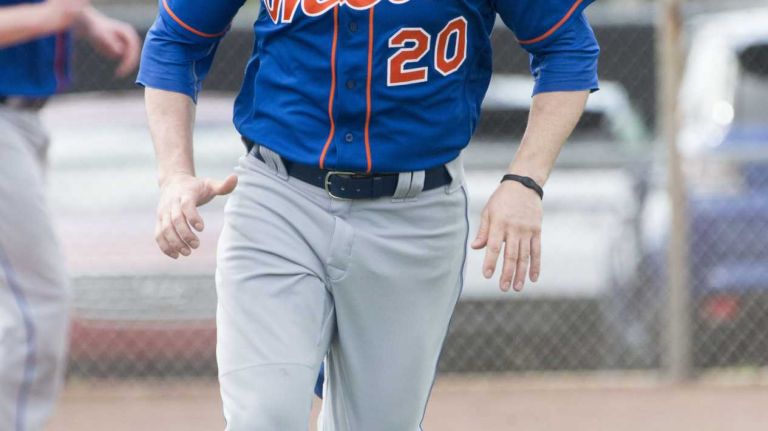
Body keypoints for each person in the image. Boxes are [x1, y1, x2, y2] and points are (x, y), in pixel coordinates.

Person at [137, 0, 599, 429]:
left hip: (415, 215)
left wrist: (525, 179)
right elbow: (176, 39)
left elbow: (566, 47)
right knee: (264, 415)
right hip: (278, 198)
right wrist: (174, 174)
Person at [0, 2, 139, 430]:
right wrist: (61, 14)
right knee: (39, 298)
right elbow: (53, 9)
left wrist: (87, 20)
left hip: (23, 120)